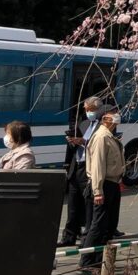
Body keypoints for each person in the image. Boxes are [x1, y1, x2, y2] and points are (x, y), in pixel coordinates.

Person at [59, 97, 107, 248]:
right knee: (73, 203)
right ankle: (69, 236)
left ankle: (86, 237)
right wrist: (73, 141)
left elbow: (99, 145)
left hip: (90, 167)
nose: (87, 113)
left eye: (90, 110)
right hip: (77, 166)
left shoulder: (102, 126)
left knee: (88, 204)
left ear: (97, 110)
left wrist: (84, 142)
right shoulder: (83, 123)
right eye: (85, 109)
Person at [80, 111, 125, 273]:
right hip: (103, 184)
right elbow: (97, 166)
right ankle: (87, 260)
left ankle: (100, 259)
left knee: (109, 224)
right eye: (114, 116)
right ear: (106, 119)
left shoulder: (109, 136)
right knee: (98, 224)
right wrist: (98, 191)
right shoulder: (101, 137)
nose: (117, 119)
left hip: (112, 183)